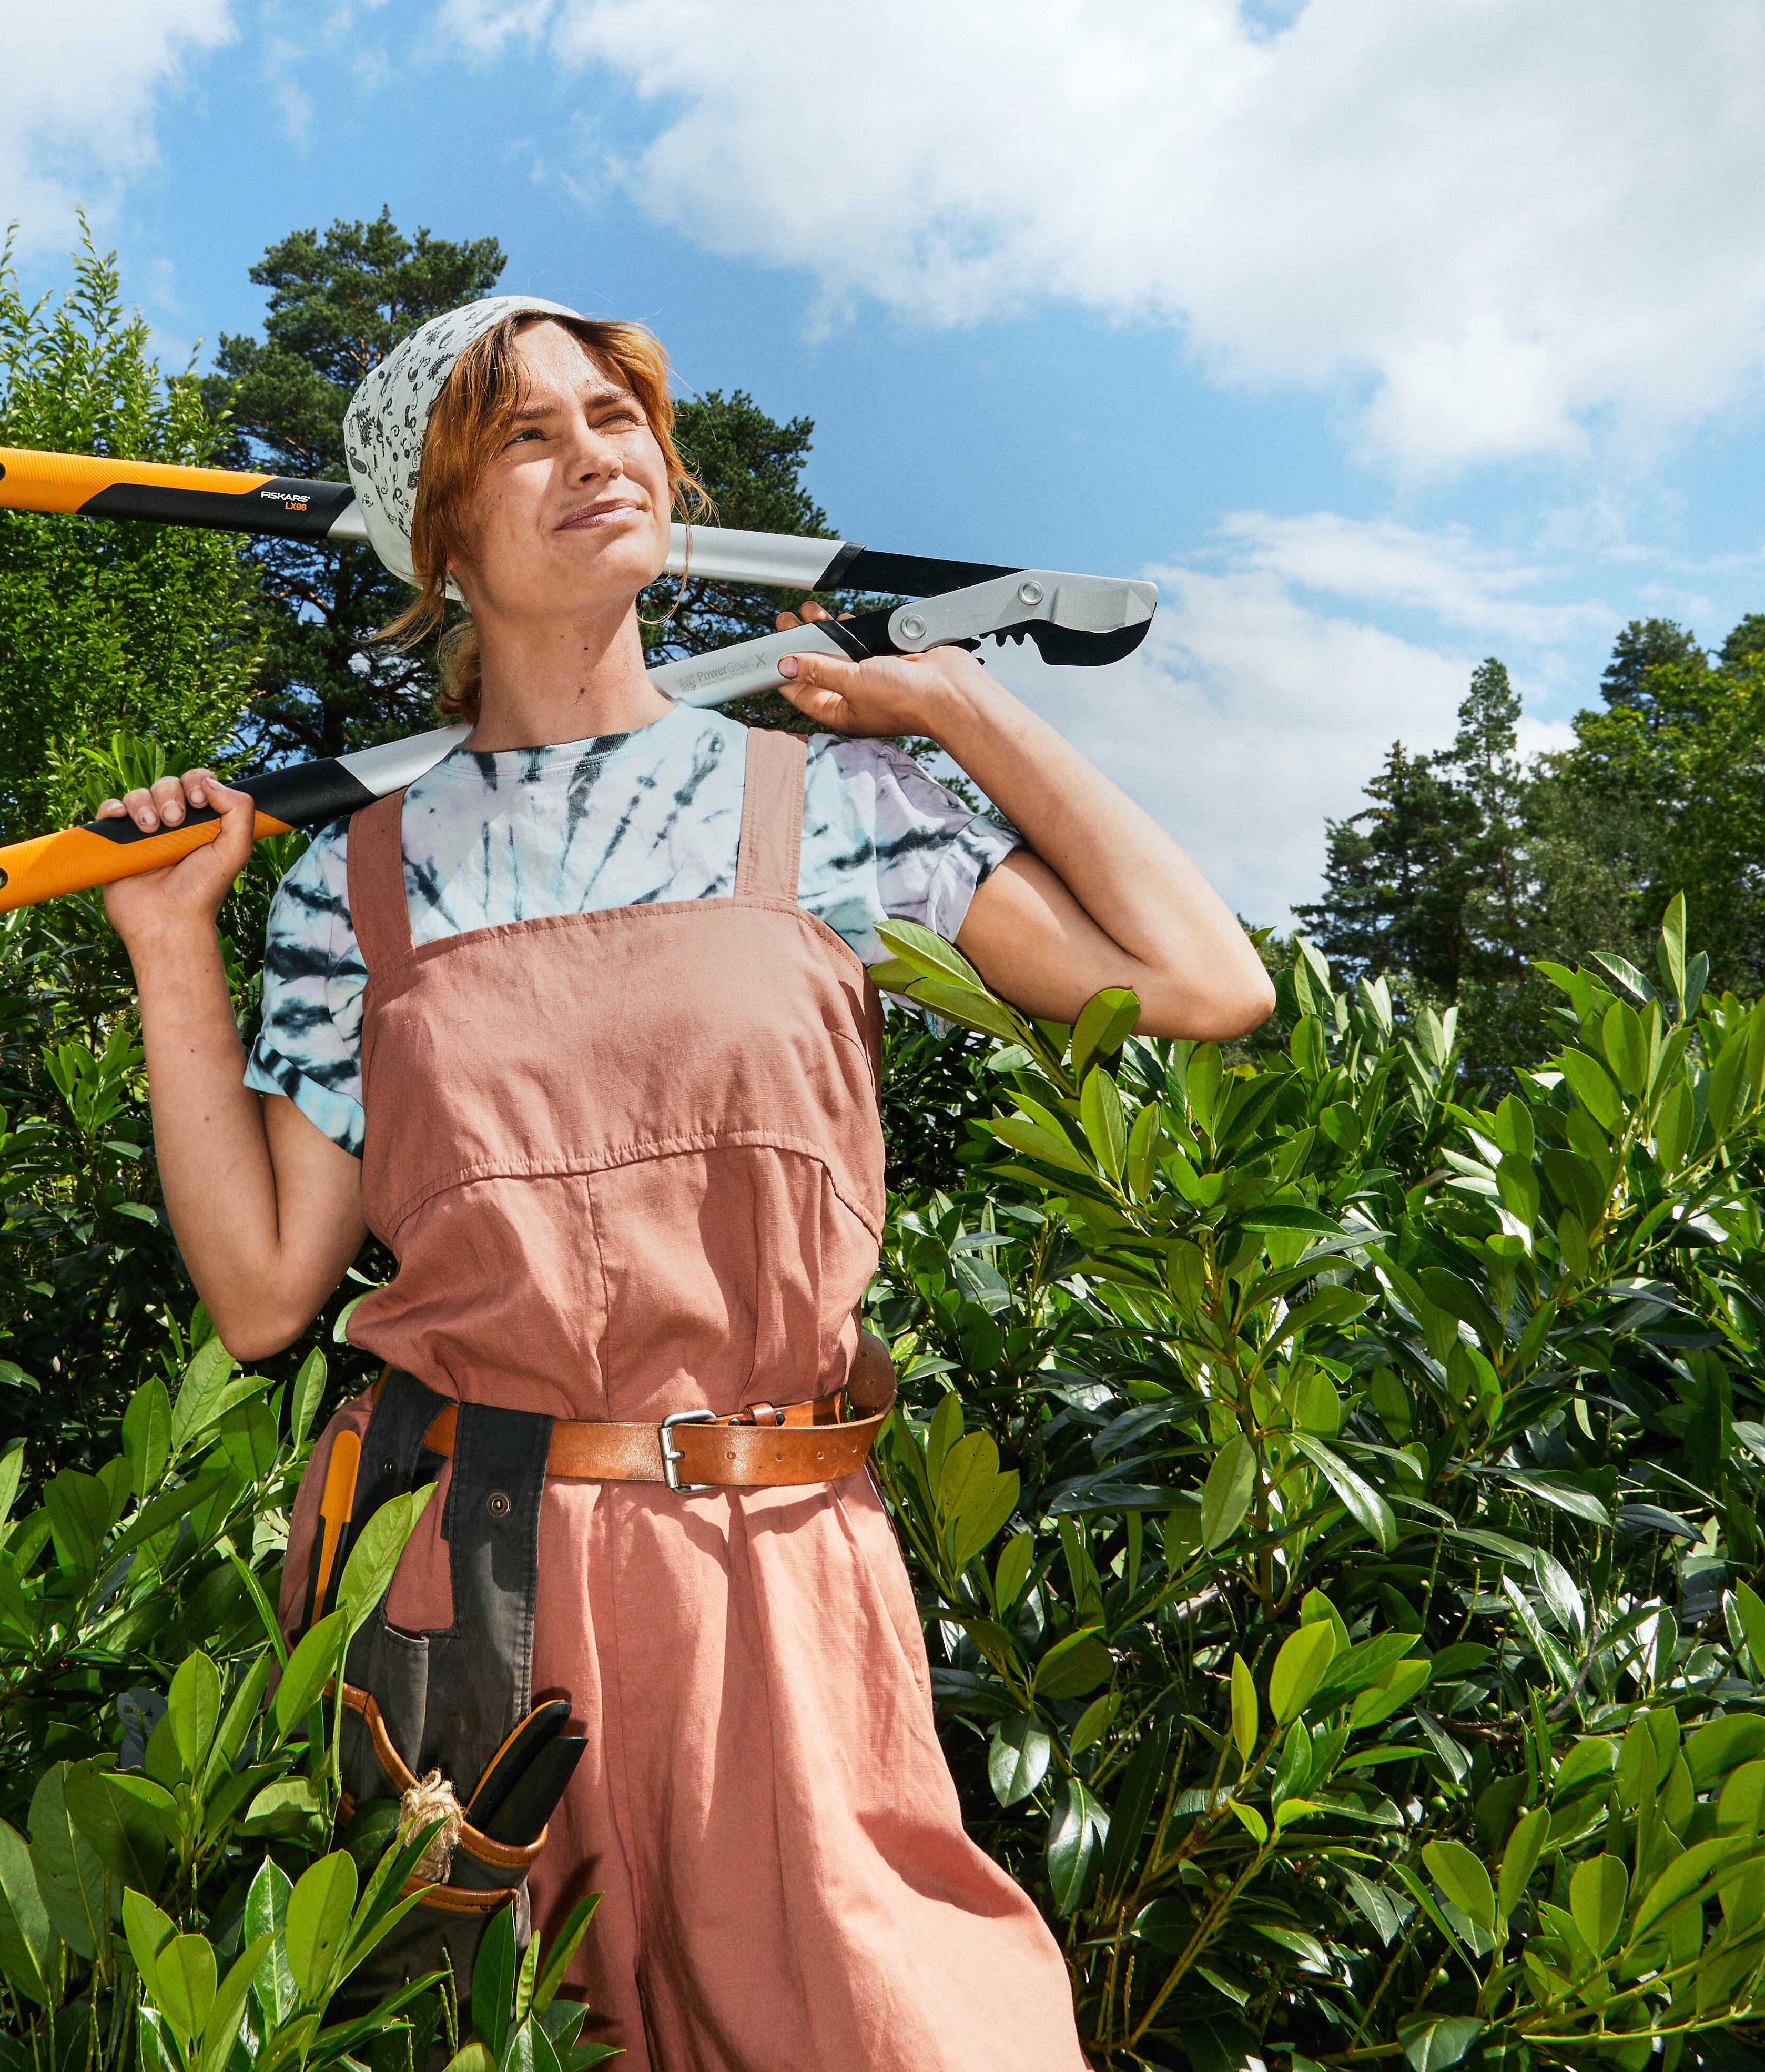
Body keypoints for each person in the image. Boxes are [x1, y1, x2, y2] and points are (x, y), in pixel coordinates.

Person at [98, 296, 1273, 2069]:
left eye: (616, 418)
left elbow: (1204, 982)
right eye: (527, 435)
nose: (596, 457)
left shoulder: (829, 802)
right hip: (470, 1584)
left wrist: (961, 709)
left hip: (781, 1563)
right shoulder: (360, 881)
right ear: (438, 536)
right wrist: (169, 948)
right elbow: (266, 1297)